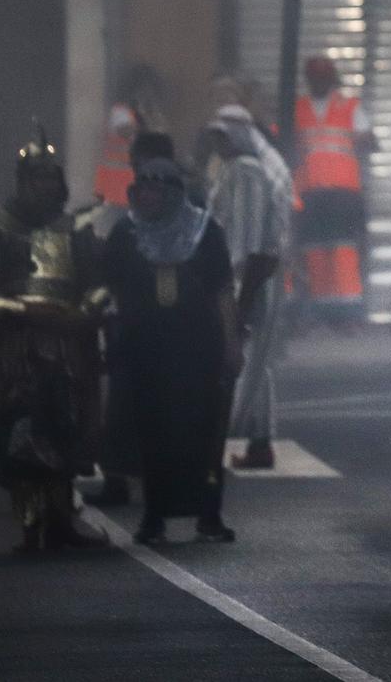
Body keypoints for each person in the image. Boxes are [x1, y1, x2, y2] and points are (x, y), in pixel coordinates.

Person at [0, 130, 108, 554]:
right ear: (21, 181)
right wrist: (3, 305)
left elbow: (97, 282)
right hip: (18, 343)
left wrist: (86, 310)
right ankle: (30, 525)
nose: (43, 186)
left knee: (65, 426)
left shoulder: (75, 227)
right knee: (21, 429)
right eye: (35, 178)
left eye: (49, 178)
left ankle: (62, 520)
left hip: (66, 340)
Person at [104, 155, 243, 545]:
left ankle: (209, 515)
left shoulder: (204, 231)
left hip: (198, 348)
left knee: (204, 432)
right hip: (146, 349)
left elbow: (221, 289)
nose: (147, 197)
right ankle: (154, 517)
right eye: (141, 189)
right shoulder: (126, 233)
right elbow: (109, 287)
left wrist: (231, 343)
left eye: (155, 189)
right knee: (152, 434)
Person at [87, 129, 179, 509]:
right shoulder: (130, 225)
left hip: (166, 329)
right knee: (129, 405)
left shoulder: (188, 222)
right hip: (139, 326)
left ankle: (148, 479)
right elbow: (109, 272)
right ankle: (124, 479)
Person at [205, 107, 293, 470]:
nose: (217, 145)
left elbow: (248, 240)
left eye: (223, 137)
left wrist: (238, 296)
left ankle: (229, 433)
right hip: (251, 275)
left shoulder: (247, 172)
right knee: (258, 362)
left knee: (244, 356)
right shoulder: (247, 167)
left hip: (246, 277)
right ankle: (259, 441)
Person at [293, 56, 374, 330]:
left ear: (332, 79)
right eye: (314, 77)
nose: (319, 81)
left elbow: (369, 140)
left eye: (323, 76)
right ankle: (320, 311)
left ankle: (348, 313)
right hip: (310, 191)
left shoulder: (349, 106)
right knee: (314, 250)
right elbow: (283, 141)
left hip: (343, 192)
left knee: (344, 250)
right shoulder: (297, 108)